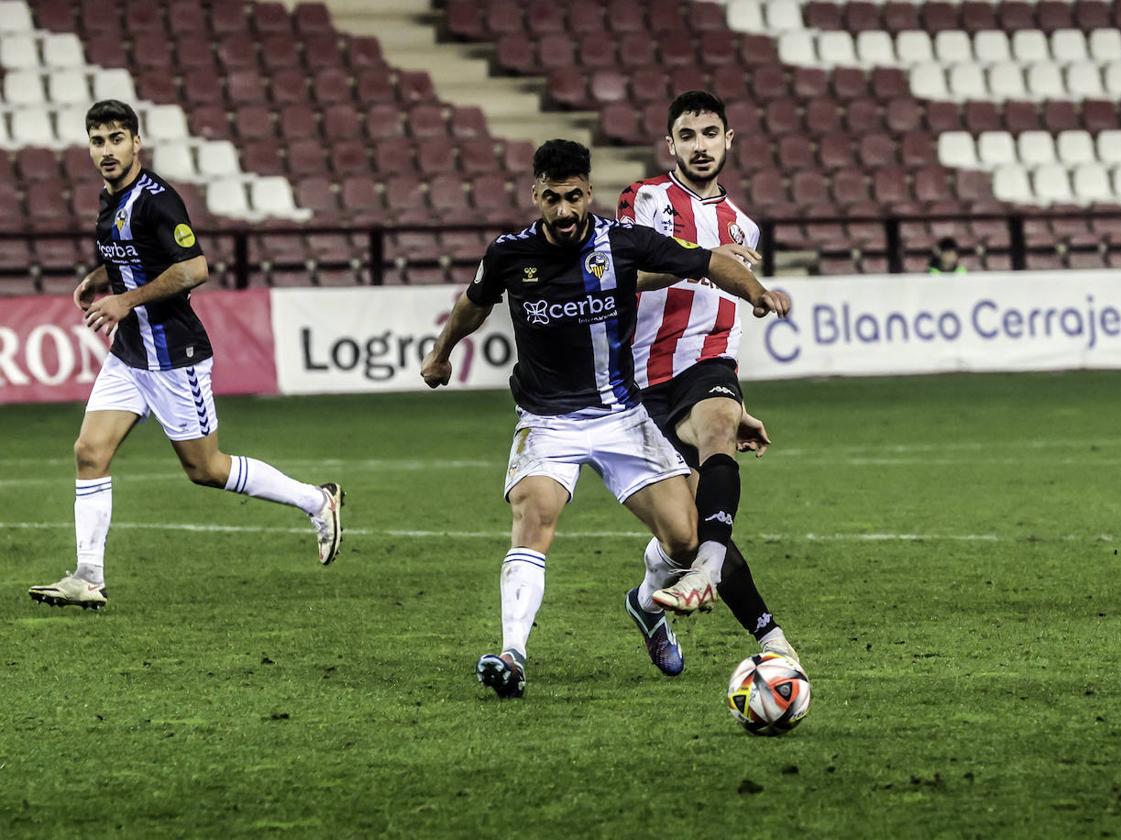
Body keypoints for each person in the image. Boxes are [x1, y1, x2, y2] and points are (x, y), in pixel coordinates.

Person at [420, 139, 789, 699]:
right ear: (535, 195)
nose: (564, 211)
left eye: (573, 197)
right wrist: (441, 351)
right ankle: (512, 654)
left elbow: (708, 260)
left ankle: (645, 604)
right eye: (552, 198)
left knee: (686, 537)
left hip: (622, 416)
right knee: (534, 517)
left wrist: (756, 292)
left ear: (589, 192)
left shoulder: (621, 243)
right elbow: (476, 300)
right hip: (546, 421)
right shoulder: (510, 253)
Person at [27, 100, 345, 611]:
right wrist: (99, 277)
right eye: (97, 140)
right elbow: (134, 255)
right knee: (89, 452)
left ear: (136, 143)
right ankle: (88, 575)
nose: (106, 150)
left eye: (115, 138)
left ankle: (317, 500)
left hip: (176, 356)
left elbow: (194, 268)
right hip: (130, 356)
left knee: (205, 469)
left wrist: (123, 300)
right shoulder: (109, 200)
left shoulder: (158, 200)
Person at [617, 91, 800, 676]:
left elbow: (725, 318)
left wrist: (733, 396)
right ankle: (649, 601)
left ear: (728, 141)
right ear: (671, 145)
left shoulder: (745, 224)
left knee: (719, 427)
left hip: (708, 366)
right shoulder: (645, 199)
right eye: (688, 136)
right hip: (640, 380)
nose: (700, 146)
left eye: (710, 134)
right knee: (684, 531)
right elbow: (621, 274)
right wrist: (700, 256)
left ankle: (770, 639)